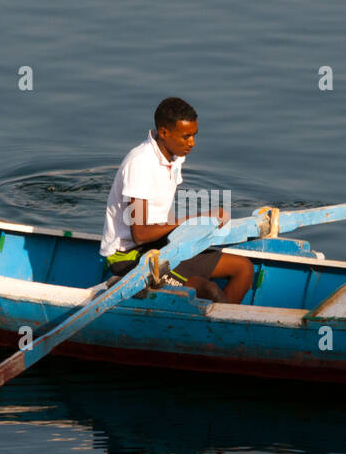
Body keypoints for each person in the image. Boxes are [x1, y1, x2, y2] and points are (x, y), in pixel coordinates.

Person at [100, 97, 254, 304]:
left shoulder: (173, 157)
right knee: (210, 290)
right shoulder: (141, 164)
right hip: (129, 256)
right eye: (186, 137)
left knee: (243, 268)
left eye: (194, 136)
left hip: (161, 246)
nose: (192, 143)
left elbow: (165, 212)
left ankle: (222, 327)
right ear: (164, 133)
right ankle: (220, 333)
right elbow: (141, 234)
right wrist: (196, 218)